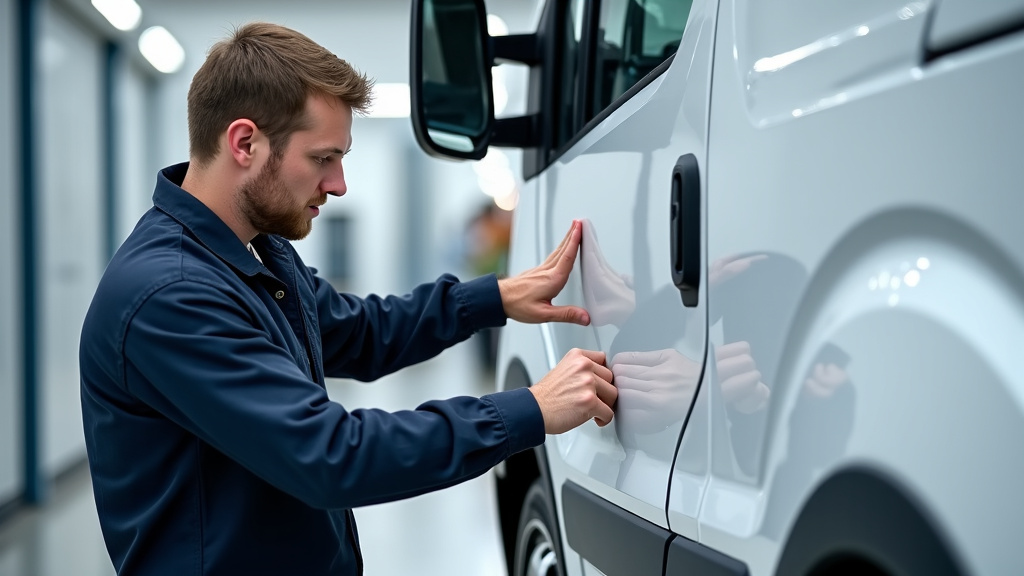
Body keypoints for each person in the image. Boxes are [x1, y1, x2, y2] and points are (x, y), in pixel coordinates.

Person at [79, 22, 617, 576]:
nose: (338, 184)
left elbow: (361, 332)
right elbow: (332, 455)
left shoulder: (257, 254)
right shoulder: (173, 295)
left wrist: (493, 298)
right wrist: (528, 409)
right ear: (244, 143)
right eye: (322, 158)